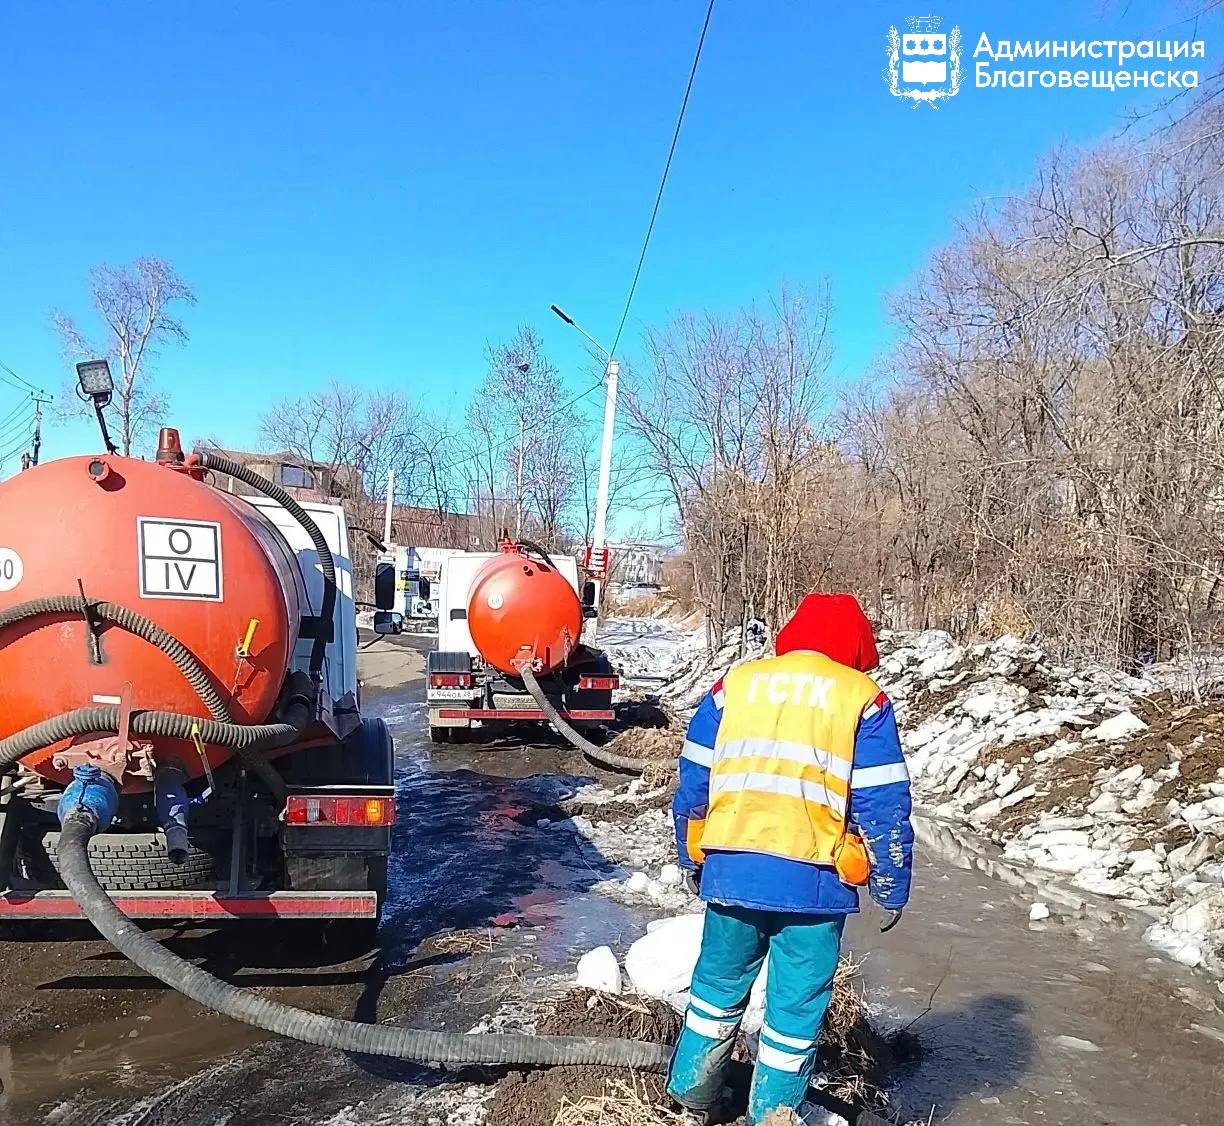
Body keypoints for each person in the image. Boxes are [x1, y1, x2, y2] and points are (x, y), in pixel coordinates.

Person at [667, 593, 914, 1124]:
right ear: (853, 648)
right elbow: (883, 804)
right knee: (795, 1011)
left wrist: (692, 858)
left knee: (715, 987)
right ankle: (772, 1113)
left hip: (731, 868)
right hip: (815, 882)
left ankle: (693, 1095)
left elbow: (693, 781)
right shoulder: (862, 698)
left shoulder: (734, 686)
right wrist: (891, 884)